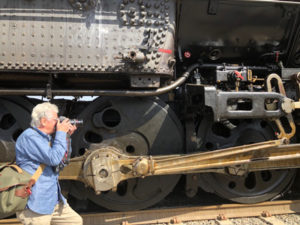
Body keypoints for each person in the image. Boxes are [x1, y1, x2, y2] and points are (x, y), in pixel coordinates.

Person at [15, 102, 83, 225]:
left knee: (74, 222)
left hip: (52, 200)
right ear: (43, 121)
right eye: (55, 120)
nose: (58, 123)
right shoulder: (30, 137)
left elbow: (62, 162)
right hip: (36, 202)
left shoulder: (47, 138)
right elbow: (53, 159)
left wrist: (66, 136)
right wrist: (61, 133)